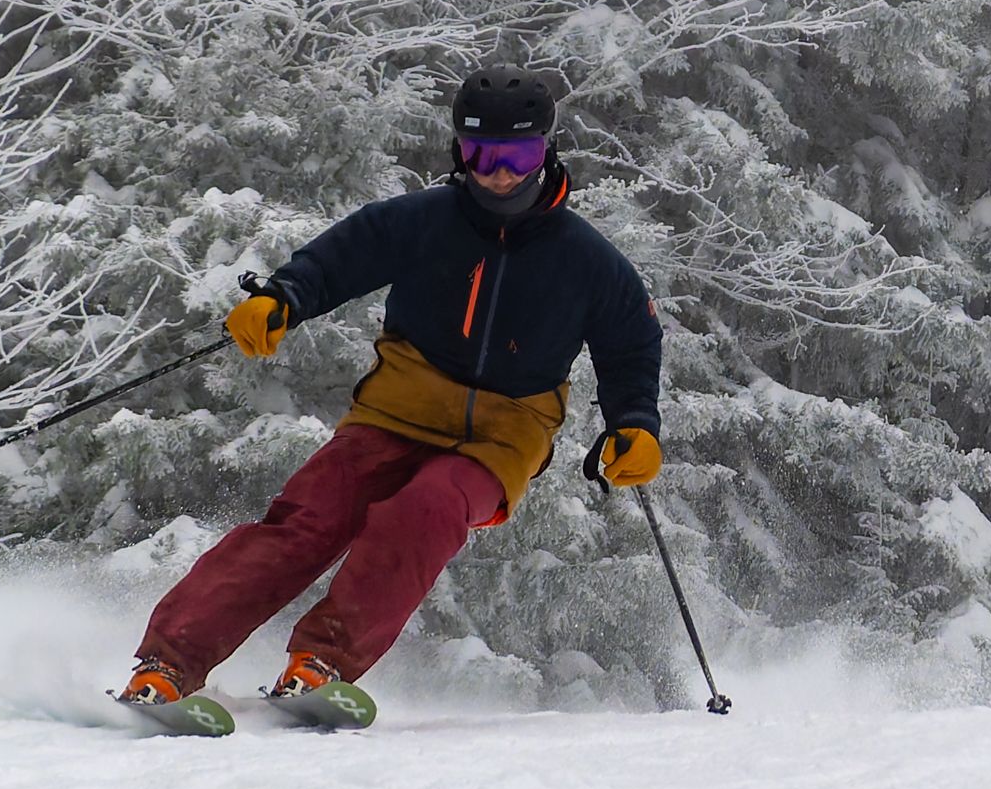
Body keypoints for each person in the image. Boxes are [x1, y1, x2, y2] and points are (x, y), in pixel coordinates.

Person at [116, 66, 663, 734]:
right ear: (458, 151)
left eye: (517, 156)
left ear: (545, 152)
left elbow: (631, 345)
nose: (498, 174)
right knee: (309, 518)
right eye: (481, 153)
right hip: (397, 410)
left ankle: (321, 664)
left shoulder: (587, 261)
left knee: (424, 509)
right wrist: (281, 298)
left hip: (504, 435)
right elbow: (337, 260)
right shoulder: (421, 222)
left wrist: (634, 423)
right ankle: (166, 664)